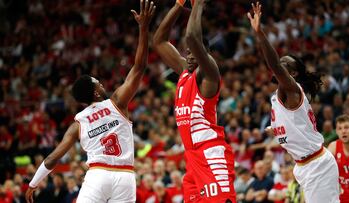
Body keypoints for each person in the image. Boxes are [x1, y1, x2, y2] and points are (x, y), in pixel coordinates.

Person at [25, 1, 156, 202]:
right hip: (125, 177)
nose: (102, 83)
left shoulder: (78, 122)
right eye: (98, 83)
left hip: (98, 175)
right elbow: (139, 67)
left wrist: (33, 184)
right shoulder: (117, 102)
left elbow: (53, 158)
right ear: (95, 93)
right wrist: (144, 29)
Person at [247, 2, 339, 203]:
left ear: (294, 74)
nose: (280, 66)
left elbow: (273, 64)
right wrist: (278, 128)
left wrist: (260, 33)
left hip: (317, 165)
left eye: (284, 65)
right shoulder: (279, 96)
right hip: (303, 166)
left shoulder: (292, 89)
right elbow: (293, 123)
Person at [153, 0, 236, 202]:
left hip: (211, 152)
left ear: (204, 54)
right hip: (192, 157)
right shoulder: (184, 71)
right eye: (187, 52)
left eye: (193, 52)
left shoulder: (209, 72)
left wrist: (198, 4)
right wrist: (179, 5)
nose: (189, 56)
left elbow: (191, 36)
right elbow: (159, 42)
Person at [328, 115, 349, 203]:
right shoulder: (333, 147)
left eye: (346, 127)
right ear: (336, 132)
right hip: (341, 199)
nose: (343, 131)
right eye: (340, 128)